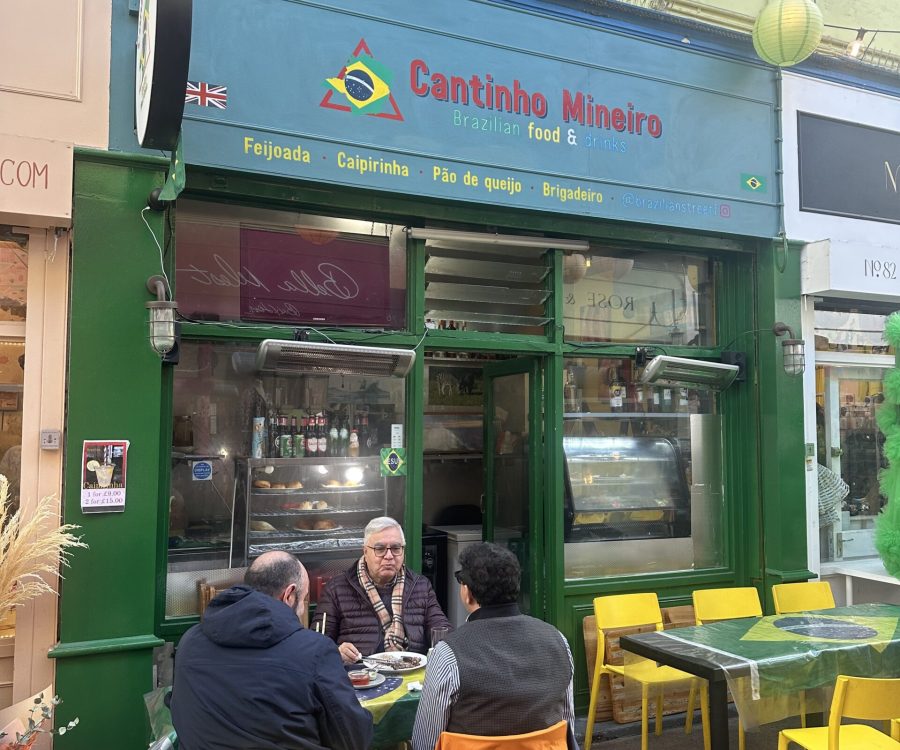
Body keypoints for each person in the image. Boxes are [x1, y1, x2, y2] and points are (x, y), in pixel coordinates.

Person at [170, 550, 373, 750]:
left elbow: (178, 713)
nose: (302, 609)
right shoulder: (315, 651)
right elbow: (354, 739)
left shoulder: (189, 642)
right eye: (303, 600)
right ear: (289, 595)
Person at [411, 542, 577, 750]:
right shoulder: (558, 641)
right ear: (515, 587)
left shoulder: (448, 654)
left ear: (467, 592)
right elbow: (567, 729)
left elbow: (424, 743)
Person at [312, 516, 451, 664]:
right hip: (360, 677)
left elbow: (441, 630)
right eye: (380, 549)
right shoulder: (336, 588)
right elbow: (316, 645)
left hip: (412, 675)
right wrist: (337, 651)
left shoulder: (420, 586)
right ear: (365, 552)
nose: (389, 556)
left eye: (396, 548)